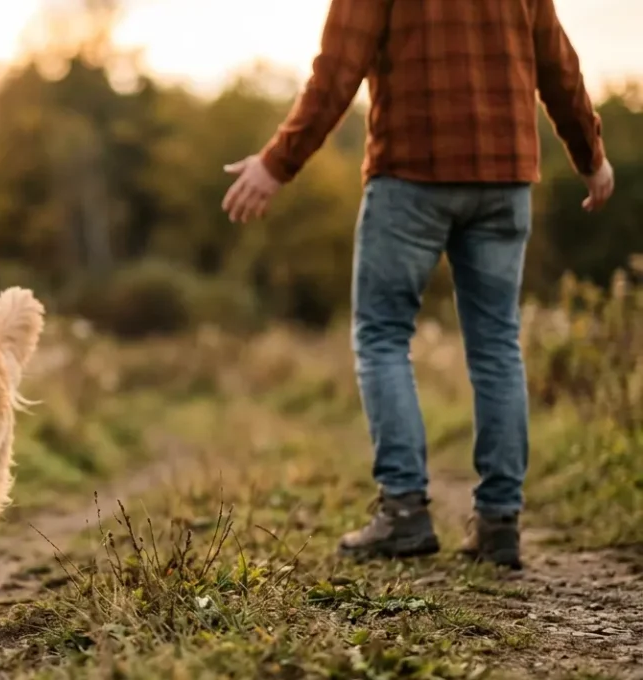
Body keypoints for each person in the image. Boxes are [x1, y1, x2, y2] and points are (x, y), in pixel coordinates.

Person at [221, 0, 615, 570]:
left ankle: (404, 512)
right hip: (504, 178)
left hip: (411, 176)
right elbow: (559, 66)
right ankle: (500, 522)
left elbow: (336, 72)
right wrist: (591, 155)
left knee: (382, 336)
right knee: (497, 345)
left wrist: (277, 163)